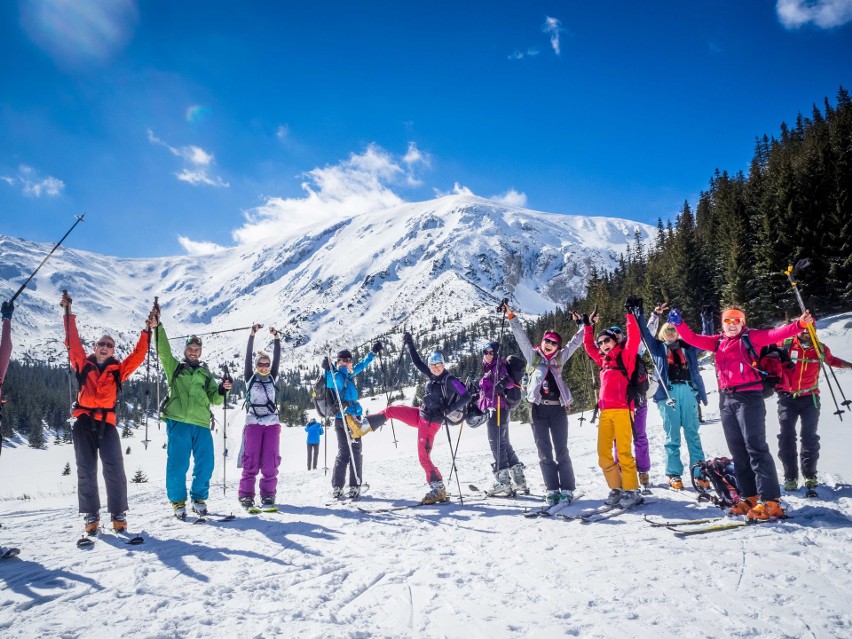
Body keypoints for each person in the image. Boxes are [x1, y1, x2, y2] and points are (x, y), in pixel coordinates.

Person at [669, 305, 814, 520]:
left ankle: (771, 500)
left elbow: (776, 333)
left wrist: (800, 324)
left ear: (742, 322)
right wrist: (679, 324)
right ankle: (751, 497)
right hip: (726, 399)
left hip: (749, 398)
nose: (732, 324)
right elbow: (691, 338)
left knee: (756, 448)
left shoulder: (751, 337)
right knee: (738, 451)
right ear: (722, 324)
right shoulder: (717, 342)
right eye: (728, 321)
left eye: (736, 320)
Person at [61, 291, 150, 533]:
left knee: (114, 467)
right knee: (86, 468)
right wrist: (68, 313)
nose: (105, 347)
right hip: (83, 421)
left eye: (109, 345)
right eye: (101, 344)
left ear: (112, 352)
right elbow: (72, 342)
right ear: (95, 347)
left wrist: (147, 331)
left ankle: (118, 514)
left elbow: (138, 356)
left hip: (107, 422)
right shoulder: (82, 364)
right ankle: (91, 516)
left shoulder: (118, 370)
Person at [365, 333, 470, 504]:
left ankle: (438, 488)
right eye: (433, 365)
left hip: (431, 423)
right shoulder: (432, 376)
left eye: (438, 364)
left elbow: (467, 396)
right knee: (392, 410)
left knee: (423, 456)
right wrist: (410, 344)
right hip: (421, 415)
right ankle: (364, 425)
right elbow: (417, 363)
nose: (435, 367)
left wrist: (448, 408)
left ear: (443, 364)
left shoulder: (450, 380)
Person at [150, 304, 232, 519]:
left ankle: (199, 499)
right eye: (190, 349)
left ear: (200, 352)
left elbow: (215, 398)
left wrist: (224, 390)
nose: (193, 352)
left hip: (202, 423)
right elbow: (163, 351)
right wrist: (158, 327)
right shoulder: (175, 368)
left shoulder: (206, 374)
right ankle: (178, 502)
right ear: (185, 351)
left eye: (197, 350)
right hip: (178, 422)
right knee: (178, 464)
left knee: (206, 463)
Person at [506, 302, 585, 508]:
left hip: (557, 409)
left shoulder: (560, 358)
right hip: (538, 409)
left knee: (561, 449)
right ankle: (552, 490)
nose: (548, 344)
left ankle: (566, 489)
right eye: (546, 341)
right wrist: (511, 316)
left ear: (558, 346)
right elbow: (521, 337)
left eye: (553, 342)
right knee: (544, 451)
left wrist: (584, 325)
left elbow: (576, 343)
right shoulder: (533, 357)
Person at [583, 297, 643, 509]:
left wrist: (629, 315)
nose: (603, 345)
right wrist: (588, 327)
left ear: (615, 341)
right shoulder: (603, 360)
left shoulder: (625, 356)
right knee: (603, 454)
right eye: (601, 343)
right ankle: (616, 488)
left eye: (606, 340)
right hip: (606, 412)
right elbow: (589, 347)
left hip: (623, 410)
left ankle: (631, 490)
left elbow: (634, 337)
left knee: (624, 452)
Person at [775, 329, 851, 492]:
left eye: (809, 330)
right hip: (787, 397)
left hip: (811, 397)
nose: (806, 334)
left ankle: (810, 474)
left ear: (814, 331)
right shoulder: (785, 344)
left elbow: (831, 361)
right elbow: (767, 353)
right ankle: (790, 476)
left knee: (809, 437)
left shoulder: (820, 348)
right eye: (802, 330)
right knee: (786, 437)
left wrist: (849, 365)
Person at [638, 315, 709, 490]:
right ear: (663, 333)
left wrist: (707, 319)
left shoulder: (688, 347)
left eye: (674, 329)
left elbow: (705, 340)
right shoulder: (657, 348)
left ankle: (700, 473)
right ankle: (674, 474)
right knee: (673, 436)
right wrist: (639, 313)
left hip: (688, 391)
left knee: (693, 434)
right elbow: (645, 333)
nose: (671, 332)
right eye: (668, 329)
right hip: (668, 394)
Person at [324, 345, 378, 499]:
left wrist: (372, 353)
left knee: (344, 452)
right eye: (343, 360)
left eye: (349, 360)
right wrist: (329, 369)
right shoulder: (339, 375)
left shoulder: (348, 373)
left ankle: (338, 486)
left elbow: (362, 365)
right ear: (339, 361)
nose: (347, 362)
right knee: (354, 451)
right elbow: (330, 382)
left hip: (343, 419)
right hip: (350, 418)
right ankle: (353, 486)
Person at [237, 324, 282, 510]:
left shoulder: (272, 376)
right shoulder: (250, 377)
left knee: (270, 462)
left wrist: (277, 338)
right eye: (260, 364)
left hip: (272, 422)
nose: (264, 367)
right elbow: (247, 357)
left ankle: (268, 496)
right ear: (256, 366)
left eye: (266, 364)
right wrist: (252, 335)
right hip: (253, 422)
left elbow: (278, 356)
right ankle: (246, 496)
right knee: (251, 461)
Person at [478, 341, 526, 496]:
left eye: (492, 352)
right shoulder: (489, 368)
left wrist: (503, 383)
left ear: (497, 353)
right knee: (504, 442)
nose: (488, 354)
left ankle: (503, 481)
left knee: (496, 443)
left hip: (498, 408)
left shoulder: (498, 366)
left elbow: (510, 383)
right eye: (486, 351)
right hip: (498, 408)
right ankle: (519, 479)